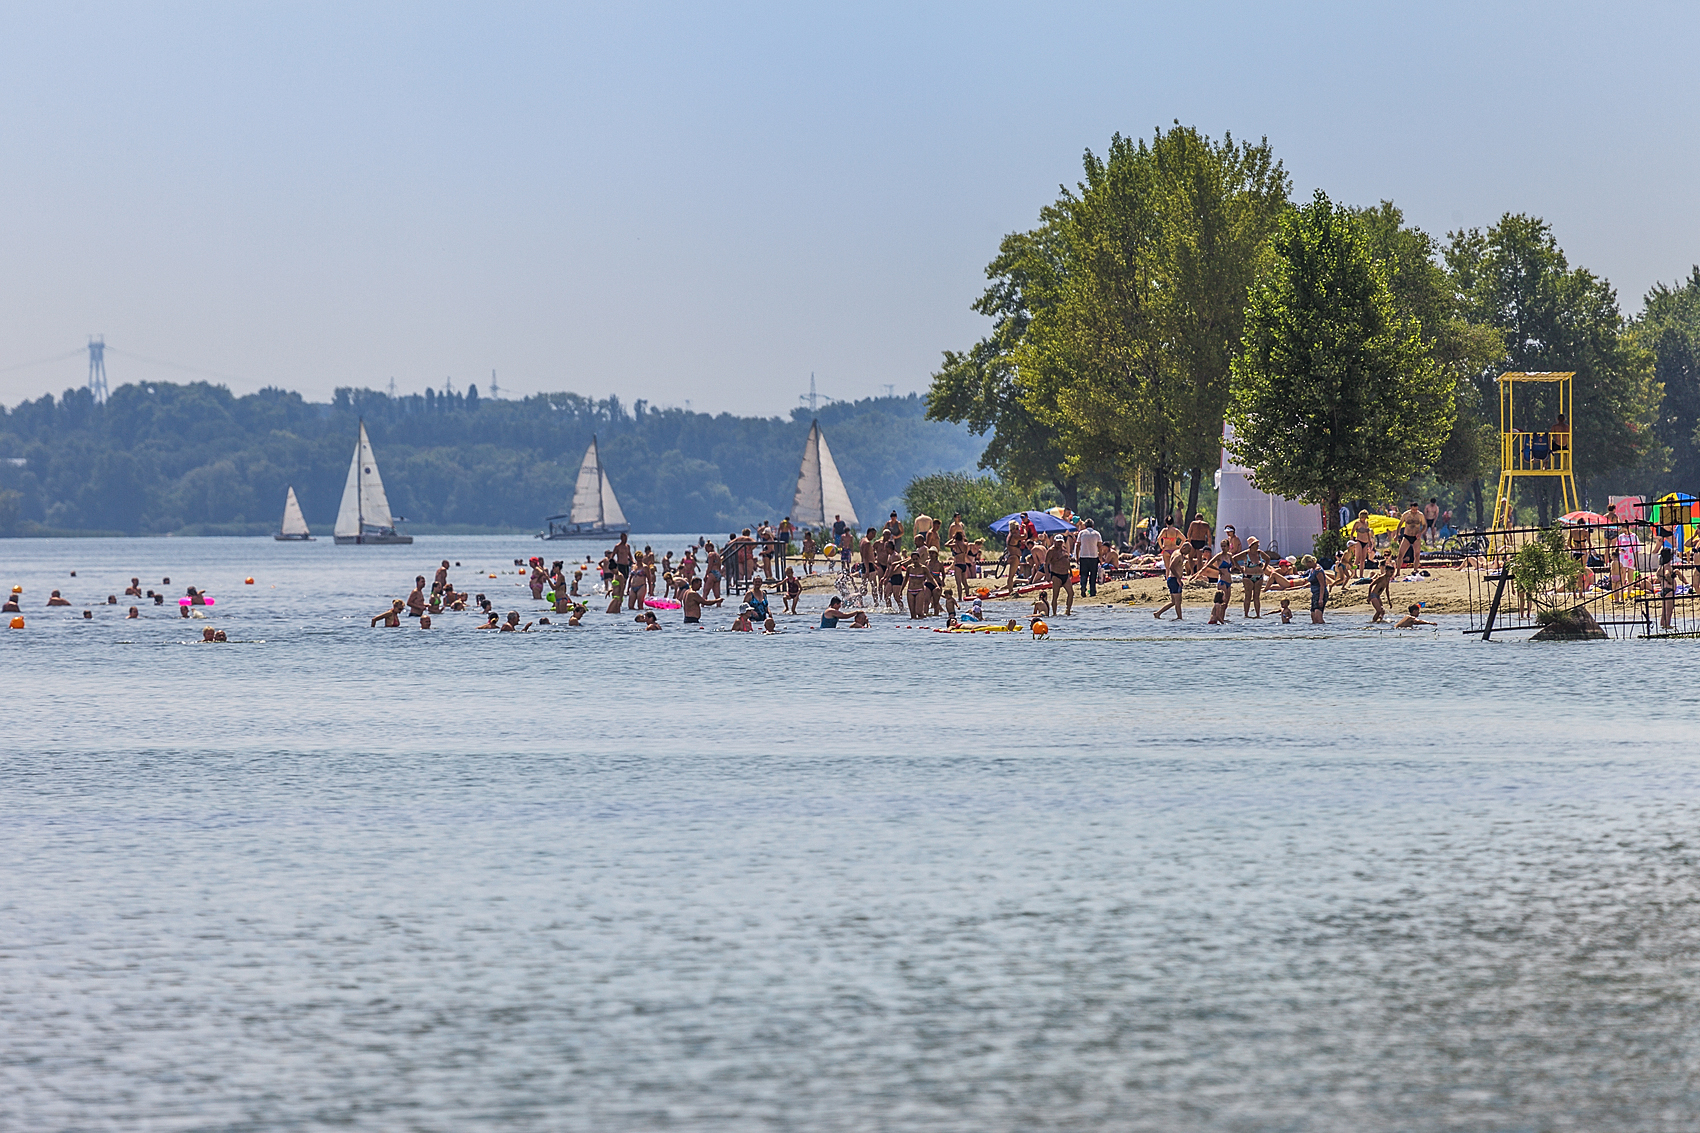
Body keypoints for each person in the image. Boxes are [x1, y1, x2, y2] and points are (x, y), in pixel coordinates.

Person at [1153, 545, 1185, 620]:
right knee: (1178, 601)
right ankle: (1179, 618)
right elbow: (1171, 567)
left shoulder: (1176, 552)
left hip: (1171, 579)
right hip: (1174, 579)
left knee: (1173, 601)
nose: (1188, 553)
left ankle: (1158, 613)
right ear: (1184, 548)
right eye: (1188, 550)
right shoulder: (1178, 555)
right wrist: (1178, 578)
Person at [1075, 519, 1103, 597]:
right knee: (1093, 575)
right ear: (1093, 526)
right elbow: (1100, 547)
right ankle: (1092, 591)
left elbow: (1078, 546)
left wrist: (1077, 557)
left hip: (1083, 556)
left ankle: (1083, 587)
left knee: (1083, 574)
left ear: (1085, 526)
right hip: (1094, 557)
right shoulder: (1097, 534)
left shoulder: (1082, 533)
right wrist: (1100, 557)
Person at [1396, 502, 1425, 570]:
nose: (1415, 511)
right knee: (1400, 554)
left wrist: (1420, 533)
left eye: (1416, 509)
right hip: (1407, 536)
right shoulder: (1406, 514)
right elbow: (1400, 524)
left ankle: (1415, 570)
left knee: (1417, 555)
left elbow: (1424, 525)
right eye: (1413, 510)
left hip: (1416, 537)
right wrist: (1397, 534)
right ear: (1410, 508)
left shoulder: (1420, 515)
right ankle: (1398, 571)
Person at [1301, 553, 1328, 624]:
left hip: (1320, 593)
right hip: (1314, 594)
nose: (1306, 566)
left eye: (1307, 564)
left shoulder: (1318, 570)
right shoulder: (1311, 570)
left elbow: (1322, 585)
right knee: (1313, 615)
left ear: (1310, 562)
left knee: (1318, 615)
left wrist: (1321, 599)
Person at [1350, 510, 1376, 575]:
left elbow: (1367, 533)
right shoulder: (1357, 523)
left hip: (1365, 541)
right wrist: (1352, 542)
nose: (1364, 519)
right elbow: (1352, 533)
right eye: (1363, 517)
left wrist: (1369, 541)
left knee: (1363, 559)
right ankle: (1354, 573)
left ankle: (1361, 574)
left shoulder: (1366, 523)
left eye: (1365, 517)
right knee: (1357, 559)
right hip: (1359, 541)